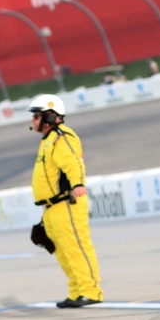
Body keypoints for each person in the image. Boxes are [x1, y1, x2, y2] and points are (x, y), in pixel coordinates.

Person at [29, 94, 104, 308]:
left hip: (67, 203)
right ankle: (76, 291)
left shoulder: (62, 136)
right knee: (61, 250)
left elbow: (74, 163)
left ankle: (91, 291)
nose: (33, 120)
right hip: (51, 207)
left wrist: (79, 183)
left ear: (51, 116)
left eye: (36, 115)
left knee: (76, 246)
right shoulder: (48, 139)